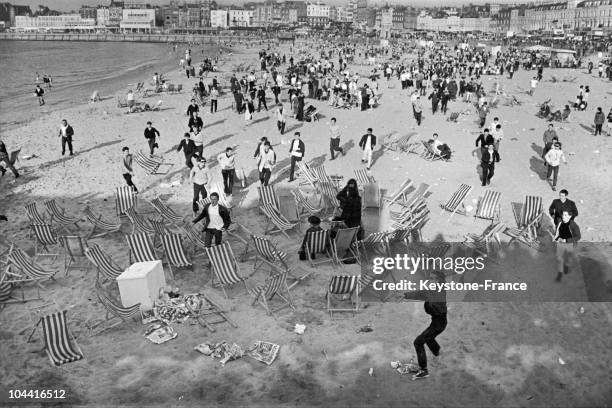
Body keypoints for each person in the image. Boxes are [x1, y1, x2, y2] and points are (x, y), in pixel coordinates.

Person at [407, 270, 447, 380]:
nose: (430, 280)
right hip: (439, 323)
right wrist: (405, 295)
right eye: (430, 278)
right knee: (429, 338)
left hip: (438, 325)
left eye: (433, 279)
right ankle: (438, 353)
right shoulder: (437, 289)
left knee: (418, 342)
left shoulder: (438, 291)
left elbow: (424, 295)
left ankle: (424, 370)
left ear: (439, 280)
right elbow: (421, 293)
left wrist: (430, 303)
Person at [553, 210, 581, 282]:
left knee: (569, 258)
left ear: (570, 216)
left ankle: (566, 265)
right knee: (559, 258)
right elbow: (557, 233)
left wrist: (566, 240)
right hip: (560, 243)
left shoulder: (573, 225)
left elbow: (578, 236)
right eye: (563, 215)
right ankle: (560, 273)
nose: (563, 216)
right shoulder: (560, 223)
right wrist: (556, 239)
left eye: (565, 215)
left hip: (570, 244)